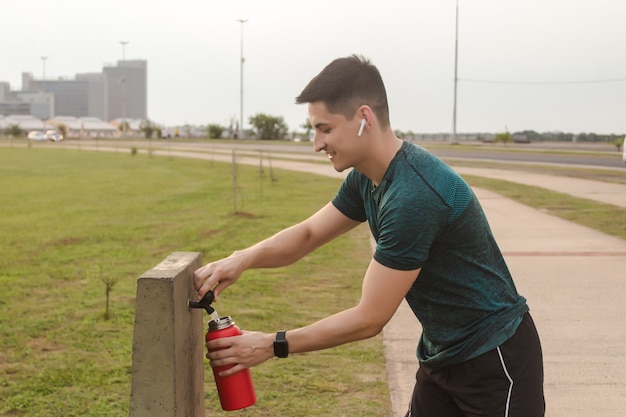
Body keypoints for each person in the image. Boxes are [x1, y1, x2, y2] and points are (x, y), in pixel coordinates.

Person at [194, 54, 545, 416]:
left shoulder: (414, 196)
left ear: (364, 118)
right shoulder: (368, 178)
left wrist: (271, 345)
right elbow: (310, 234)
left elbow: (369, 318)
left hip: (495, 360)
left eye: (325, 129)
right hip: (443, 356)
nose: (316, 144)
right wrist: (242, 259)